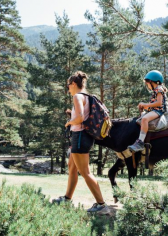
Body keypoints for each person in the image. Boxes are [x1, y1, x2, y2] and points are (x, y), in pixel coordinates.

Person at [52, 71, 110, 215]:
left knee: (85, 172)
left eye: (68, 86)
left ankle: (102, 205)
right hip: (83, 136)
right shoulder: (88, 96)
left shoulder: (78, 96)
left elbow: (79, 118)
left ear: (73, 84)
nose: (68, 89)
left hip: (79, 136)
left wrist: (68, 122)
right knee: (72, 166)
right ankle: (67, 198)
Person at [128, 70, 168, 152]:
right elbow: (153, 103)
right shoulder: (156, 90)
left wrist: (145, 105)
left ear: (152, 82)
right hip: (155, 109)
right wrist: (145, 107)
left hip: (159, 111)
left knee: (145, 119)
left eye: (147, 83)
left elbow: (159, 103)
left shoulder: (159, 89)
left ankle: (140, 142)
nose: (147, 85)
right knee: (142, 116)